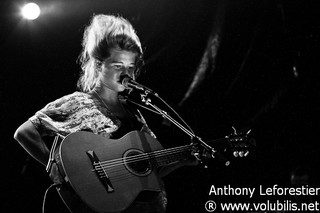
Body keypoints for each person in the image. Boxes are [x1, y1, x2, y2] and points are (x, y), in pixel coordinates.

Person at [14, 14, 197, 213]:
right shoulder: (78, 102)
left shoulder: (134, 112)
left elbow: (147, 171)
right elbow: (24, 133)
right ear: (99, 65)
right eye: (118, 66)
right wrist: (60, 172)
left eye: (130, 67)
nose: (126, 73)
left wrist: (183, 160)